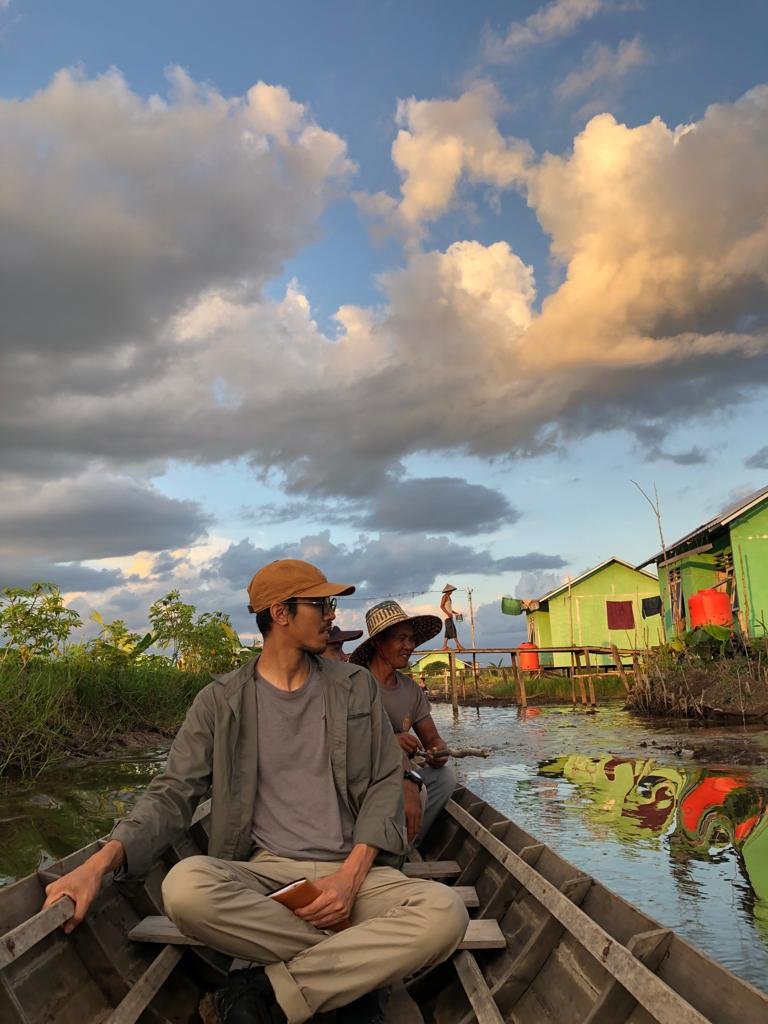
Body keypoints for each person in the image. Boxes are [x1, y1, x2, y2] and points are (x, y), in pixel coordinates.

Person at [41, 560, 468, 1024]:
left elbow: (387, 781)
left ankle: (268, 989)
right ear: (280, 613)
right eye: (321, 604)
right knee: (184, 888)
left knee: (445, 913)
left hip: (356, 872)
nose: (330, 614)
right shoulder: (219, 702)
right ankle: (360, 967)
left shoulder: (354, 686)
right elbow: (172, 793)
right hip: (268, 878)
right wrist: (98, 864)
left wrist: (347, 880)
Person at [349, 601, 457, 849]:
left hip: (401, 773)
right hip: (363, 779)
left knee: (444, 778)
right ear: (378, 643)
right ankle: (374, 841)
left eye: (411, 639)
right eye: (401, 639)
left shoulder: (410, 689)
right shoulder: (355, 684)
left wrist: (438, 752)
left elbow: (433, 740)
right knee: (402, 787)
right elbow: (346, 741)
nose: (409, 646)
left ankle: (406, 844)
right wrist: (390, 742)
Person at [440, 584, 464, 651]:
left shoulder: (449, 597)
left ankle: (444, 646)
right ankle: (458, 645)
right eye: (451, 591)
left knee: (447, 632)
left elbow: (449, 608)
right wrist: (448, 614)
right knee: (453, 631)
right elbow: (441, 606)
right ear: (448, 591)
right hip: (447, 617)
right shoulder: (444, 597)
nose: (452, 592)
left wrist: (455, 613)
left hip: (449, 617)